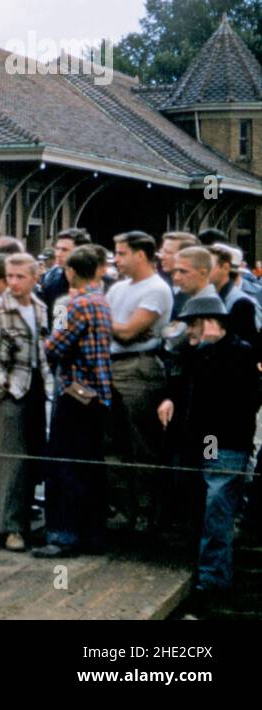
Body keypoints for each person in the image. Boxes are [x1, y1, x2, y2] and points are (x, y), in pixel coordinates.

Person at [156, 295, 261, 610]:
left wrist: (207, 350)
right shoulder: (195, 353)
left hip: (224, 440)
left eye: (193, 325)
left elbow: (231, 397)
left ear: (208, 324)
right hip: (205, 440)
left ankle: (213, 580)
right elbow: (178, 378)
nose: (188, 331)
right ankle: (208, 572)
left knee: (216, 506)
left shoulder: (236, 354)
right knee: (204, 501)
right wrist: (169, 398)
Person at [34, 244, 114, 559]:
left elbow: (53, 347)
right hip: (99, 394)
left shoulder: (75, 305)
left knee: (65, 465)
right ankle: (93, 534)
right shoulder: (102, 302)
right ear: (98, 270)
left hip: (75, 393)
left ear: (70, 272)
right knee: (91, 465)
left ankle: (63, 536)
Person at [0, 253, 49, 551]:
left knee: (33, 457)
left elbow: (45, 346)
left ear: (34, 278)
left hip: (37, 387)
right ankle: (11, 528)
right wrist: (2, 390)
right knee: (11, 462)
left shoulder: (41, 308)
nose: (14, 282)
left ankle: (27, 519)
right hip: (10, 393)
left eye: (20, 277)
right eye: (10, 277)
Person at [105, 231, 172, 534]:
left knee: (142, 443)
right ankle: (124, 510)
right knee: (114, 443)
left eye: (121, 254)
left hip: (139, 369)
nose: (116, 259)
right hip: (111, 366)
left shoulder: (157, 289)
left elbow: (129, 332)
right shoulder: (117, 288)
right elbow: (118, 327)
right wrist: (117, 326)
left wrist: (113, 325)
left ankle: (147, 512)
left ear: (140, 255)